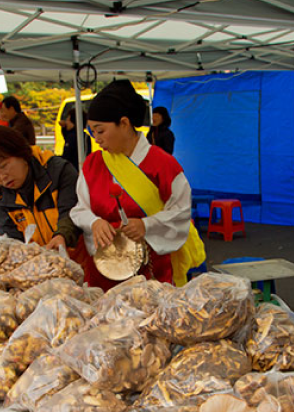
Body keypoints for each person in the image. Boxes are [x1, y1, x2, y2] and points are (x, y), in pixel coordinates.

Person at [70, 80, 205, 290]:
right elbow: (80, 209)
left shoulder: (163, 164)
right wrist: (94, 222)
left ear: (124, 124)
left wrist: (146, 225)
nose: (96, 139)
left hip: (152, 269)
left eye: (100, 131)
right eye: (92, 131)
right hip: (104, 266)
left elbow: (181, 212)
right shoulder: (92, 164)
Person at [0, 125, 80, 249]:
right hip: (39, 260)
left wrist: (62, 236)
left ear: (21, 154)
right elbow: (11, 240)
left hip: (77, 255)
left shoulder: (59, 172)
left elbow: (72, 212)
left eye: (3, 166)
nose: (2, 177)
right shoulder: (1, 198)